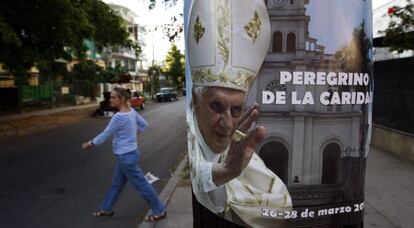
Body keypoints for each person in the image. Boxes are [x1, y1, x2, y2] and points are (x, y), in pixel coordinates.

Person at [187, 0, 292, 227]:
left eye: (236, 110)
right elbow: (198, 174)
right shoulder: (192, 132)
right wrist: (223, 172)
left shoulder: (241, 152)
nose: (227, 124)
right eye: (216, 106)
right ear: (195, 101)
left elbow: (281, 201)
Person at [82, 87, 166, 222]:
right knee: (116, 184)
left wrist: (90, 143)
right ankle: (106, 209)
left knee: (142, 185)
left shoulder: (119, 117)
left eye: (114, 97)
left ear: (121, 100)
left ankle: (159, 211)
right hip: (130, 154)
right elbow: (144, 125)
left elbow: (105, 134)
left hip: (125, 157)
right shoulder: (131, 112)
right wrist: (133, 135)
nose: (110, 99)